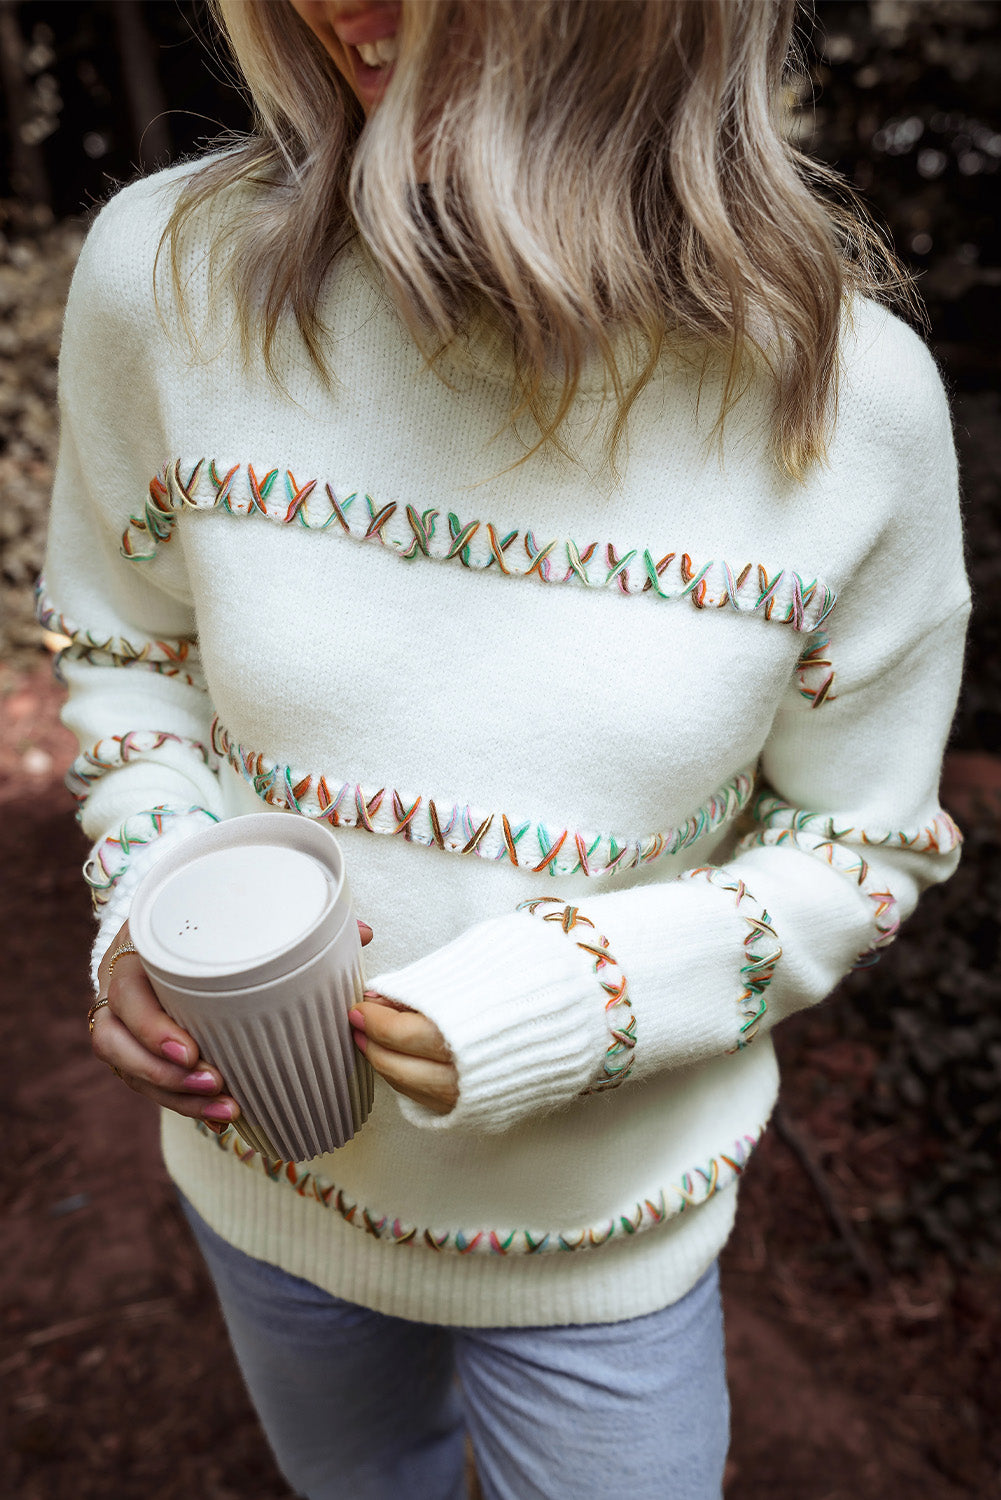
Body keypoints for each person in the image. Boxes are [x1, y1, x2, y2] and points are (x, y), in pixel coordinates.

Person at [40, 2, 969, 1496]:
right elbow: (127, 651)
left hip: (605, 1242)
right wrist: (155, 904)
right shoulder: (167, 279)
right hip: (263, 1188)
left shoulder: (848, 409)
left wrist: (586, 996)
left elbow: (858, 842)